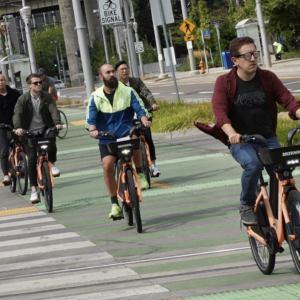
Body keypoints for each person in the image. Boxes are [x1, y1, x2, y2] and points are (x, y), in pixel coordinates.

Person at [195, 37, 300, 225]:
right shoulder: (224, 82)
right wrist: (231, 133)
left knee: (283, 174)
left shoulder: (268, 78)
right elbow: (220, 113)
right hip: (241, 141)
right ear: (235, 60)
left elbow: (288, 101)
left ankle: (294, 222)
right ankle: (246, 204)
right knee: (253, 164)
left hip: (267, 139)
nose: (253, 58)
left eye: (255, 53)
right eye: (247, 55)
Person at [85, 63, 151, 220]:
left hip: (125, 133)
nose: (112, 74)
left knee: (135, 137)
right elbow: (90, 119)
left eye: (113, 71)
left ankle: (140, 174)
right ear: (101, 77)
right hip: (107, 137)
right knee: (107, 165)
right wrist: (93, 129)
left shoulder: (128, 91)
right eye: (107, 72)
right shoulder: (96, 96)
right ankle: (114, 204)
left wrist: (144, 119)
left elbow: (140, 109)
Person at [13, 74, 63, 203]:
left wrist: (57, 122)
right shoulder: (23, 99)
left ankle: (52, 163)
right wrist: (18, 127)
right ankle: (34, 190)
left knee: (52, 139)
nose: (39, 84)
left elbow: (53, 110)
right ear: (29, 85)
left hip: (45, 128)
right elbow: (17, 113)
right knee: (32, 159)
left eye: (40, 82)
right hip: (29, 131)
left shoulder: (47, 96)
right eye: (35, 83)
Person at [115, 60, 161, 177]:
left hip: (142, 113)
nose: (125, 71)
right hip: (127, 116)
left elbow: (146, 92)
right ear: (117, 72)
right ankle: (127, 166)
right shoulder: (116, 86)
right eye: (122, 69)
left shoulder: (136, 81)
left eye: (126, 68)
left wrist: (153, 104)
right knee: (126, 141)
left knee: (148, 138)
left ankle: (153, 166)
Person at [0, 75, 21, 185]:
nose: (0, 82)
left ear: (6, 81)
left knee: (22, 146)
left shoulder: (14, 93)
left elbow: (22, 106)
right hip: (2, 128)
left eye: (2, 80)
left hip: (16, 125)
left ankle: (22, 164)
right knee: (3, 151)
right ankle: (6, 174)